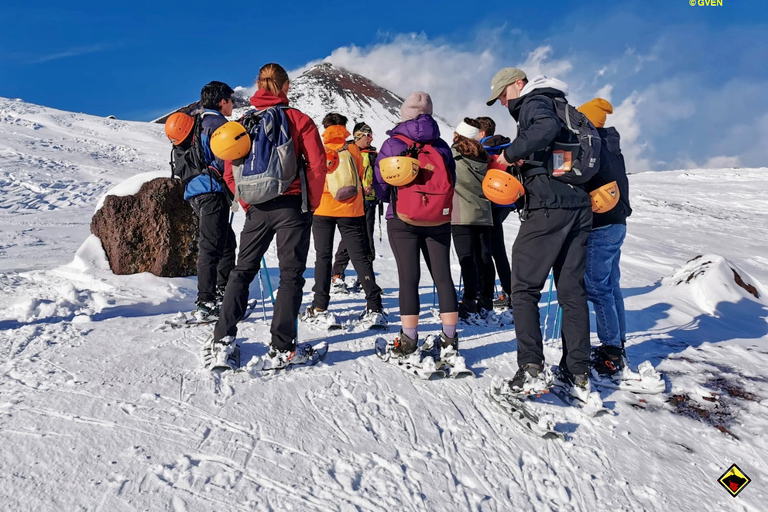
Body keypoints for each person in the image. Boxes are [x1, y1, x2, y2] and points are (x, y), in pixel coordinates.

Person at [207, 63, 327, 368]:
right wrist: (309, 203)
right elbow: (316, 165)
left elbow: (229, 168)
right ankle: (282, 347)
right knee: (290, 275)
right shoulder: (298, 119)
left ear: (259, 86)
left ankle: (222, 341)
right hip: (291, 206)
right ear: (285, 87)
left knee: (241, 271)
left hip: (256, 209)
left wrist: (247, 202)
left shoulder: (245, 121)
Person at [487, 68, 593, 398]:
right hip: (578, 205)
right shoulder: (560, 104)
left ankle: (530, 368)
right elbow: (554, 154)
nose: (504, 104)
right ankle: (577, 373)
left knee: (523, 288)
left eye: (503, 96)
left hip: (548, 209)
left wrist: (509, 155)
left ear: (518, 84)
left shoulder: (535, 103)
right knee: (571, 292)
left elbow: (544, 130)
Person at [373, 91, 459, 356]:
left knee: (409, 278)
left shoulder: (393, 144)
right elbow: (451, 181)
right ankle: (449, 339)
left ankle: (408, 340)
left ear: (405, 114)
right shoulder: (442, 145)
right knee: (443, 276)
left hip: (403, 218)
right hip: (439, 219)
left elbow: (381, 185)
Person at [302, 113, 386, 328]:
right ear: (344, 127)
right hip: (351, 209)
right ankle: (374, 306)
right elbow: (359, 174)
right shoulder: (353, 149)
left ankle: (320, 305)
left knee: (323, 256)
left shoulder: (319, 147)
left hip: (322, 208)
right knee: (359, 256)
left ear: (325, 127)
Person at [577, 98, 632, 376]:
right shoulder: (612, 147)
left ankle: (611, 351)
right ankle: (618, 343)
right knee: (611, 285)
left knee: (597, 288)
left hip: (600, 226)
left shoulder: (593, 148)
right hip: (617, 224)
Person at [188, 81, 238, 321]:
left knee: (226, 242)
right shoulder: (218, 125)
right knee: (211, 245)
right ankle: (207, 301)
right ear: (222, 102)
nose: (233, 104)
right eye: (231, 99)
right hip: (212, 190)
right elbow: (224, 161)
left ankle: (220, 292)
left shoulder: (197, 121)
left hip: (196, 189)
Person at [450, 118, 495, 319]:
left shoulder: (453, 156)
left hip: (461, 213)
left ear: (458, 135)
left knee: (466, 257)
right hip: (484, 212)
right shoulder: (484, 156)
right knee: (485, 256)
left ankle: (469, 300)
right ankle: (486, 298)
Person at [330, 122, 379, 292]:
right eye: (368, 135)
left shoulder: (373, 154)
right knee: (350, 239)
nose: (370, 138)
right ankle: (338, 275)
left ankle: (365, 278)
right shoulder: (347, 151)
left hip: (369, 202)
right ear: (359, 135)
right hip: (353, 201)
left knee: (367, 239)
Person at [476, 116, 514, 309]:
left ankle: (490, 291)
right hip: (504, 202)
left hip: (488, 203)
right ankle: (508, 291)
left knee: (488, 250)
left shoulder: (482, 150)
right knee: (497, 250)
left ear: (482, 133)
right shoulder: (505, 147)